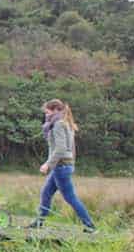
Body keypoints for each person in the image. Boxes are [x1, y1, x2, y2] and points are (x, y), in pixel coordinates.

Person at [27, 99, 96, 232]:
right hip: (63, 165)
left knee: (70, 197)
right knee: (46, 193)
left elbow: (60, 148)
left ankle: (89, 225)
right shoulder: (66, 124)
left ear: (55, 110)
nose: (46, 116)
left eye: (47, 112)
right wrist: (71, 164)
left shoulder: (58, 124)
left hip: (61, 166)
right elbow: (71, 149)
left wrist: (48, 164)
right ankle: (39, 222)